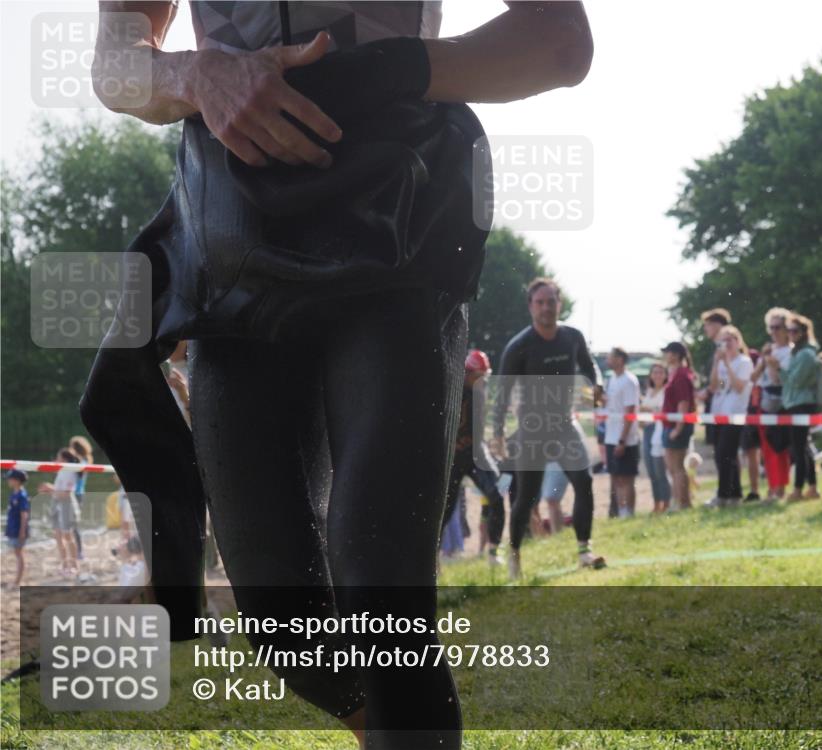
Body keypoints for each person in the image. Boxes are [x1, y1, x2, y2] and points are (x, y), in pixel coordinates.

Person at [87, 3, 594, 747]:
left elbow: (560, 42)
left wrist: (391, 70)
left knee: (378, 592)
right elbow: (114, 64)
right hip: (237, 243)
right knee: (279, 621)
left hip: (398, 224)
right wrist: (199, 73)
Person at [493, 278, 606, 580]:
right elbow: (501, 394)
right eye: (540, 302)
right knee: (527, 497)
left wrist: (597, 385)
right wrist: (498, 433)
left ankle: (585, 551)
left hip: (564, 425)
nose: (546, 307)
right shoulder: (519, 347)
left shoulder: (572, 337)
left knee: (584, 482)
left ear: (560, 303)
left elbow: (589, 365)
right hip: (532, 430)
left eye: (551, 301)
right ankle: (514, 554)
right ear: (531, 307)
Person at [442, 350, 507, 567]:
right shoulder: (451, 389)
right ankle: (433, 559)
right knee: (444, 509)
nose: (483, 379)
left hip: (475, 453)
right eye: (479, 375)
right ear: (468, 373)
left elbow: (478, 429)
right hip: (453, 458)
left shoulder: (481, 391)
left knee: (496, 498)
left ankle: (494, 551)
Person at [768, 313, 821, 501]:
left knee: (799, 449)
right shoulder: (798, 352)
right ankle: (811, 487)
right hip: (795, 403)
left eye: (794, 331)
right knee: (802, 447)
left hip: (801, 404)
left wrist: (778, 368)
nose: (790, 334)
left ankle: (799, 489)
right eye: (789, 330)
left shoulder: (806, 354)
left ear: (804, 332)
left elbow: (795, 382)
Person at [707, 325, 753, 506]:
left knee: (724, 454)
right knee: (724, 455)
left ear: (737, 341)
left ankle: (723, 494)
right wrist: (716, 364)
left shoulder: (744, 362)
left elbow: (739, 386)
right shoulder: (720, 362)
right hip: (718, 413)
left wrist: (726, 364)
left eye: (729, 340)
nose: (726, 344)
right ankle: (734, 494)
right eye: (722, 340)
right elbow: (713, 386)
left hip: (735, 414)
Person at [753, 308, 793, 501]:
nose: (775, 331)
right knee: (766, 449)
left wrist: (771, 363)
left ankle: (780, 488)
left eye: (779, 327)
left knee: (780, 447)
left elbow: (778, 380)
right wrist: (763, 361)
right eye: (772, 327)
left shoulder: (791, 352)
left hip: (782, 403)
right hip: (765, 402)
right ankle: (771, 485)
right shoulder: (769, 351)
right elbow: (753, 378)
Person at [604, 348, 641, 518]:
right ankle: (620, 510)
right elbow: (605, 404)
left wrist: (622, 440)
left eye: (610, 357)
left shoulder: (629, 381)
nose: (607, 359)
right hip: (610, 436)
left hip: (625, 438)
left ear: (620, 359)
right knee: (616, 477)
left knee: (626, 478)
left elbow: (630, 411)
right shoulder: (611, 379)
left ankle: (629, 512)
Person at [660, 342, 696, 510]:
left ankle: (682, 502)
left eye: (667, 352)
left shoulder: (681, 375)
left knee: (677, 467)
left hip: (677, 426)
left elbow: (683, 402)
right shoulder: (677, 373)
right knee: (674, 467)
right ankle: (680, 501)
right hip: (672, 424)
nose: (666, 356)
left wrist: (678, 428)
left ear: (674, 354)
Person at [696, 308, 732, 468]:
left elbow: (725, 380)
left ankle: (728, 491)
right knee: (719, 451)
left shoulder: (726, 347)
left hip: (727, 407)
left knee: (725, 452)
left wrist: (713, 389)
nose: (706, 328)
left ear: (718, 325)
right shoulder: (717, 348)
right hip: (717, 406)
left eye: (708, 324)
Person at [38, 449, 82, 579]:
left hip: (66, 505)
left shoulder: (70, 472)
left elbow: (66, 494)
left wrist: (50, 488)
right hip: (56, 504)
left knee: (68, 537)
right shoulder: (61, 471)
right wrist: (48, 489)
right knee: (58, 537)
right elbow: (58, 492)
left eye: (57, 457)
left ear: (64, 459)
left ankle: (74, 566)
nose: (55, 459)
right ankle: (64, 565)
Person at [641, 363, 671, 513]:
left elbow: (662, 410)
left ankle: (666, 502)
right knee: (651, 470)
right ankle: (656, 502)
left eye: (661, 372)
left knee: (660, 470)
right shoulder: (649, 392)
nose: (658, 375)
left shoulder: (666, 391)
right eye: (655, 372)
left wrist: (648, 409)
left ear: (665, 375)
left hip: (659, 430)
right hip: (646, 430)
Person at [741, 348, 763, 502]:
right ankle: (750, 489)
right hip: (739, 413)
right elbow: (722, 384)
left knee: (753, 453)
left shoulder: (752, 357)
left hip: (756, 411)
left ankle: (755, 489)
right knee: (746, 454)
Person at [4, 470, 30, 589]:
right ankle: (16, 580)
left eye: (10, 478)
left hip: (18, 529)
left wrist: (22, 531)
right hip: (13, 527)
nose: (8, 480)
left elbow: (24, 514)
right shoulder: (14, 493)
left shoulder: (22, 495)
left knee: (19, 554)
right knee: (16, 553)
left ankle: (17, 582)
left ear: (17, 481)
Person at [68, 435, 93, 560]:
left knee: (74, 525)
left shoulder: (80, 462)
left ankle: (79, 552)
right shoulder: (83, 460)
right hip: (78, 494)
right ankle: (77, 551)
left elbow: (75, 477)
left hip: (76, 494)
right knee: (72, 525)